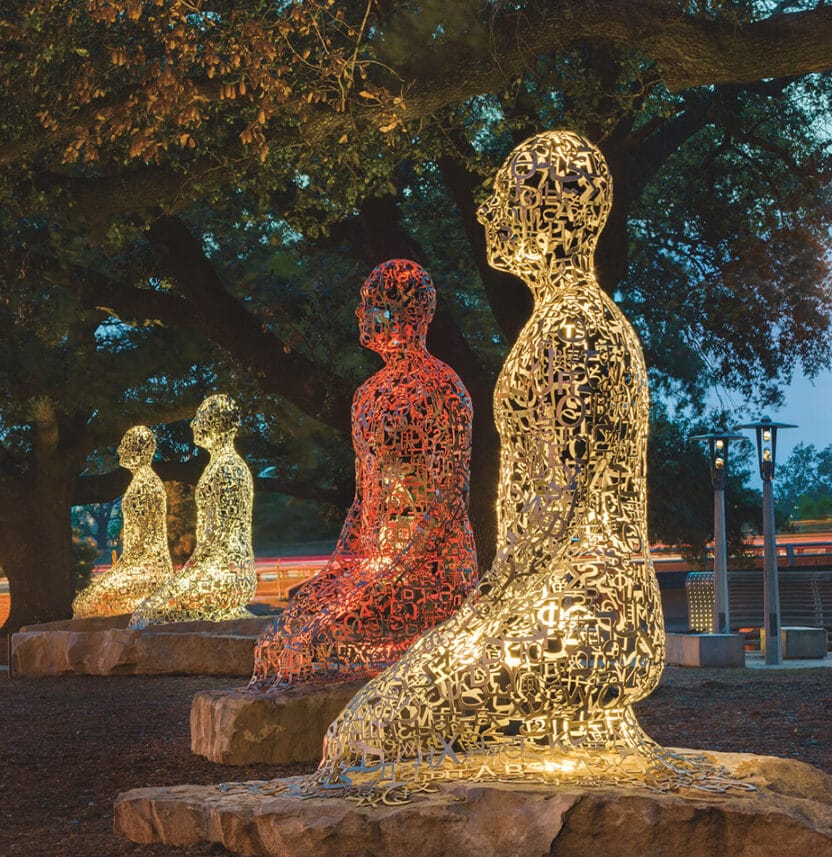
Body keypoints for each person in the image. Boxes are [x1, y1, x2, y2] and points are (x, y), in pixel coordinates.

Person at [314, 131, 681, 797]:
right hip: (546, 606)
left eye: (506, 198)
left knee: (365, 735)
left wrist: (487, 614)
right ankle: (572, 729)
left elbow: (558, 516)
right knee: (369, 726)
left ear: (552, 215)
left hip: (588, 616)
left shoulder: (583, 334)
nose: (489, 213)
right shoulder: (556, 327)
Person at [251, 260, 476, 687]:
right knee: (274, 638)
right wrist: (338, 571)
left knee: (312, 645)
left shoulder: (442, 387)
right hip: (374, 565)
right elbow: (363, 500)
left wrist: (386, 575)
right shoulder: (367, 395)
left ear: (407, 315)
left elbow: (449, 496)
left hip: (430, 569)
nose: (361, 313)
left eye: (371, 303)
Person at [130, 394, 256, 628]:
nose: (193, 424)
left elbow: (221, 541)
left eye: (200, 418)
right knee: (145, 615)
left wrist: (191, 574)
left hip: (228, 575)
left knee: (148, 618)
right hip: (215, 569)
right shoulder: (218, 466)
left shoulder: (228, 467)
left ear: (216, 423)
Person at [72, 426, 173, 618]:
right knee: (85, 603)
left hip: (147, 570)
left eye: (126, 445)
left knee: (84, 605)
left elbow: (141, 548)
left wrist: (118, 572)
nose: (120, 450)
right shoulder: (144, 483)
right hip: (143, 568)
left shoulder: (143, 486)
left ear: (139, 450)